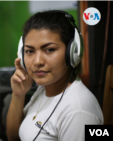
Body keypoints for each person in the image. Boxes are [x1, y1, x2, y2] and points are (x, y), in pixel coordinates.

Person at [6, 11, 103, 141]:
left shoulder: (78, 110)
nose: (37, 61)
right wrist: (18, 94)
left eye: (49, 49)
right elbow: (14, 137)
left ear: (72, 52)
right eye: (29, 51)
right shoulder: (45, 88)